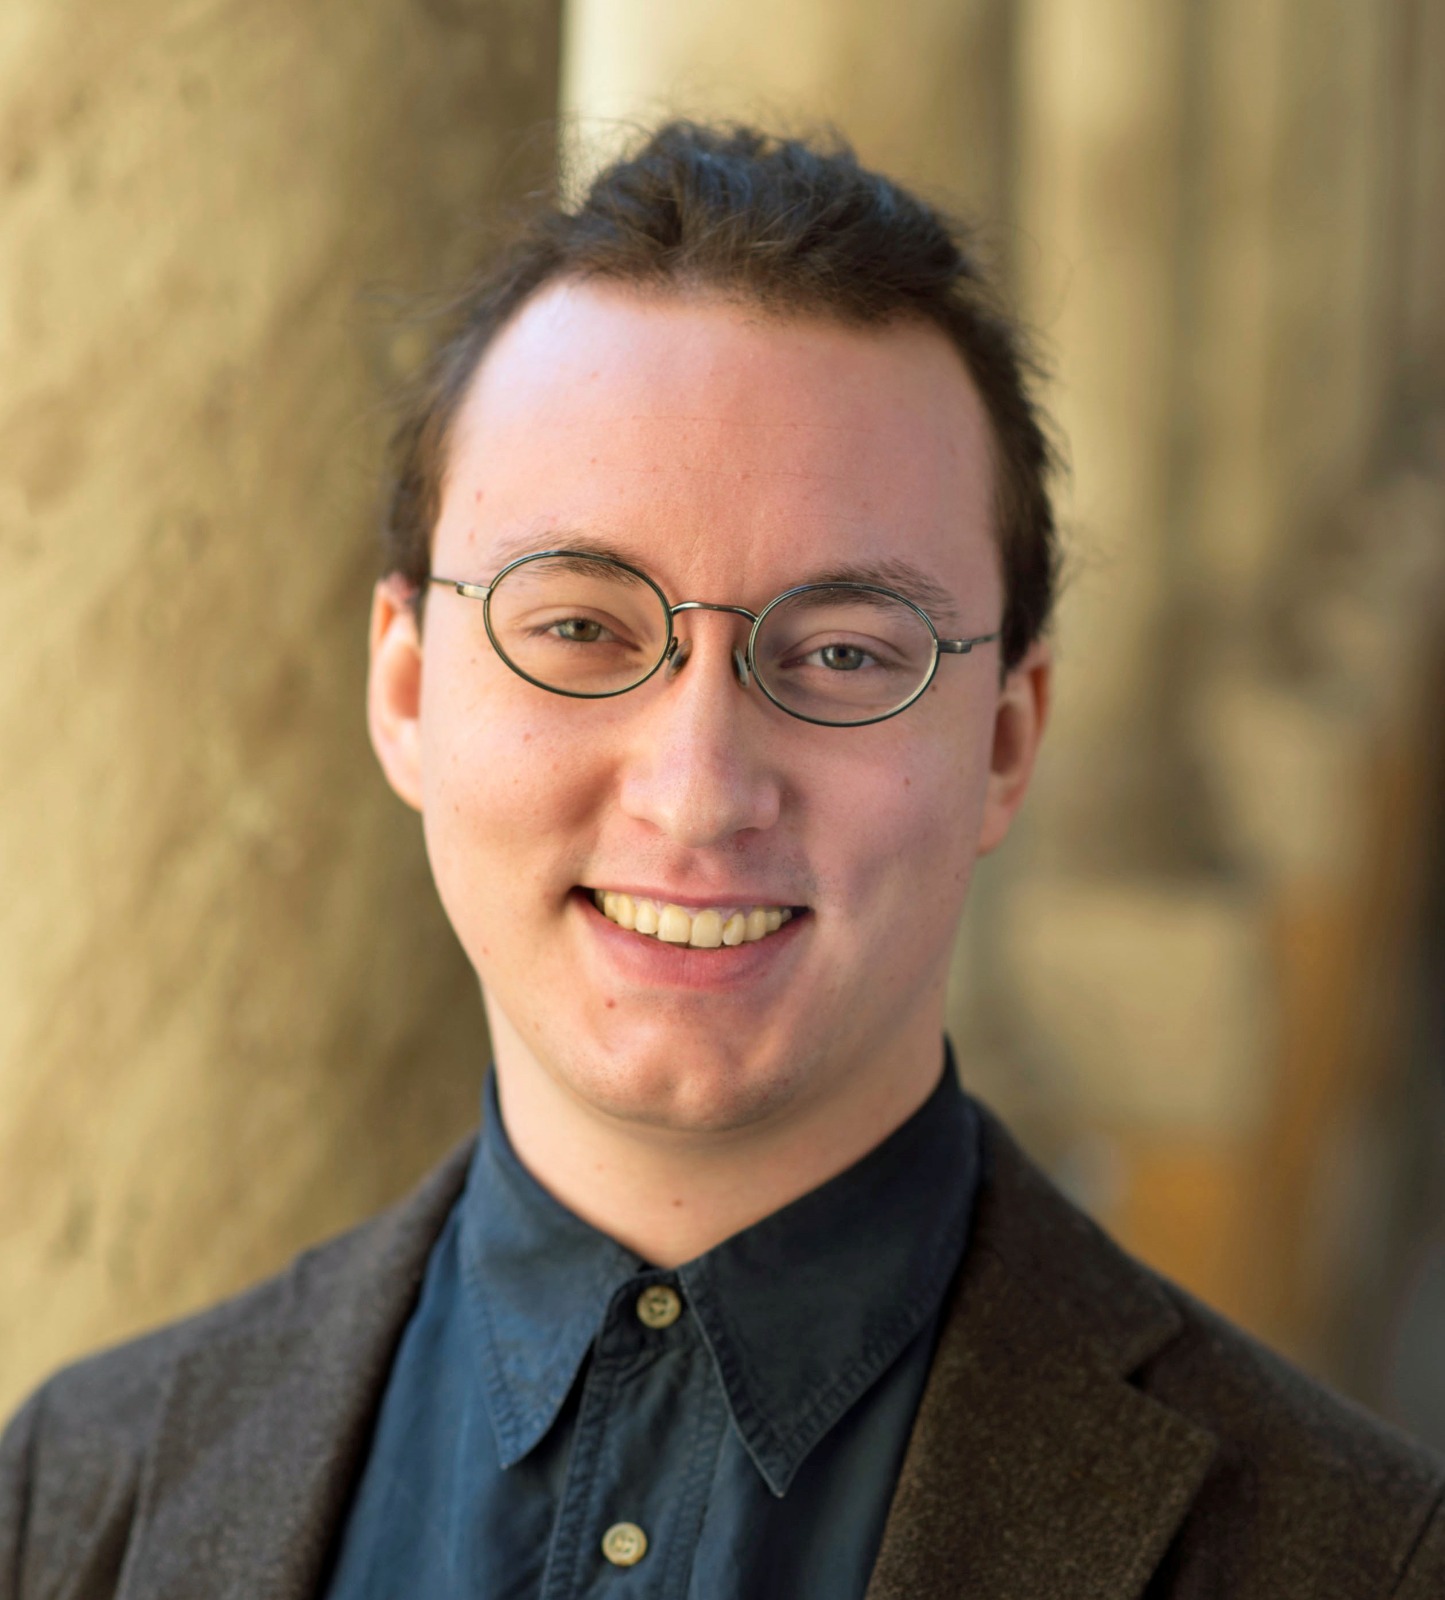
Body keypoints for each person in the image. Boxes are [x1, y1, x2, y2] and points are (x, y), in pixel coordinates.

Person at [2, 121, 1442, 1600]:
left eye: (842, 654)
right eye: (579, 628)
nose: (697, 793)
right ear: (408, 690)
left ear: (1006, 743)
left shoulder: (1362, 1561)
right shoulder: (72, 1497)